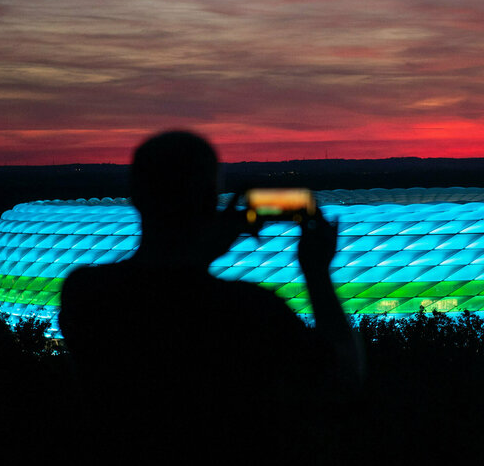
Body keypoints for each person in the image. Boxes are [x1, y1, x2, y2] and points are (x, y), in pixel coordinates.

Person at [59, 131, 362, 459]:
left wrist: (205, 245)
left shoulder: (88, 293)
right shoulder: (250, 310)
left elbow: (166, 288)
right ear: (210, 200)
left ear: (135, 195)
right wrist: (316, 273)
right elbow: (342, 379)